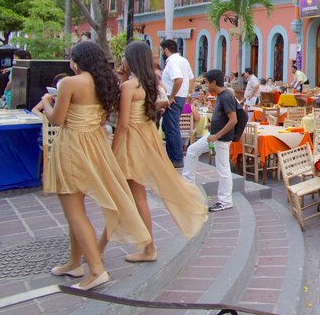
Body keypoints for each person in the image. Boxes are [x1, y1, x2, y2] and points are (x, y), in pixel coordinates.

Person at [41, 41, 150, 291]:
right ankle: (73, 262)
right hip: (95, 144)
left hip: (72, 146)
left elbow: (57, 119)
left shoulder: (69, 83)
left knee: (74, 212)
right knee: (76, 211)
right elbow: (102, 119)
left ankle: (96, 269)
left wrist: (46, 102)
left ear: (76, 61)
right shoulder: (107, 83)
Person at [98, 42, 207, 261]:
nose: (122, 61)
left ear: (131, 59)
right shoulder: (148, 83)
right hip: (144, 139)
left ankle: (106, 249)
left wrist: (112, 152)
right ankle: (131, 248)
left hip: (131, 142)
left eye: (124, 57)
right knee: (134, 197)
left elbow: (123, 124)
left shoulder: (130, 86)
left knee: (126, 197)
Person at [182, 69, 239, 212]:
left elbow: (233, 120)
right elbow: (224, 117)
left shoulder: (225, 96)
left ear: (214, 82)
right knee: (192, 151)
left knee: (223, 168)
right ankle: (188, 187)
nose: (206, 86)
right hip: (214, 134)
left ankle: (225, 200)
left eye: (207, 83)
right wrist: (212, 125)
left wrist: (217, 135)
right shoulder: (220, 95)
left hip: (221, 138)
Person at [160, 39, 195, 168]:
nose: (162, 53)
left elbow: (178, 79)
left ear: (166, 50)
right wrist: (185, 93)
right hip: (179, 97)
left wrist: (173, 96)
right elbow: (191, 78)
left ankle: (175, 158)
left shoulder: (172, 62)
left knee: (172, 128)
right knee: (168, 126)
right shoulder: (183, 61)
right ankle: (174, 156)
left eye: (162, 50)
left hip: (173, 97)